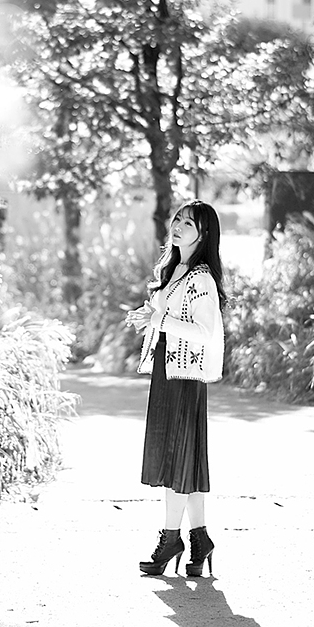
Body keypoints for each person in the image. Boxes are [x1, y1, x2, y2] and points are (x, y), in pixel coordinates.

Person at [126, 199, 226, 577]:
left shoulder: (201, 278)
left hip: (184, 376)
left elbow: (205, 332)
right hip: (167, 372)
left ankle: (171, 539)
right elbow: (166, 317)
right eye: (178, 219)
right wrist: (149, 318)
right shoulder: (176, 270)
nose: (179, 226)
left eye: (189, 223)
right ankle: (199, 539)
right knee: (187, 463)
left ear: (204, 234)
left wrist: (160, 319)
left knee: (177, 462)